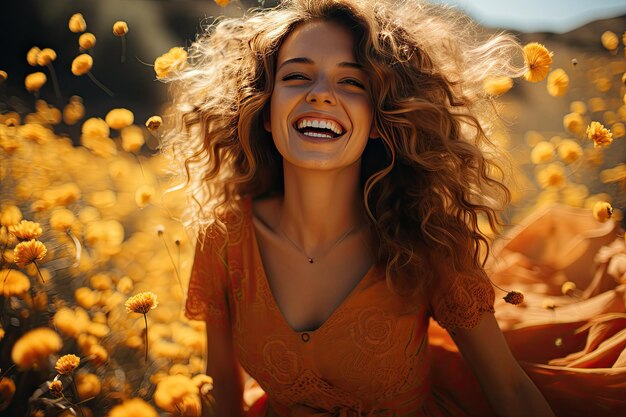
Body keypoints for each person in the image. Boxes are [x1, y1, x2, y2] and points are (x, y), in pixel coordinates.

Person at [163, 0, 558, 415]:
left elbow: (510, 391)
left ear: (377, 118)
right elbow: (221, 391)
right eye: (296, 76)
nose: (320, 95)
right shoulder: (224, 237)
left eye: (352, 83)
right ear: (263, 109)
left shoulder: (428, 238)